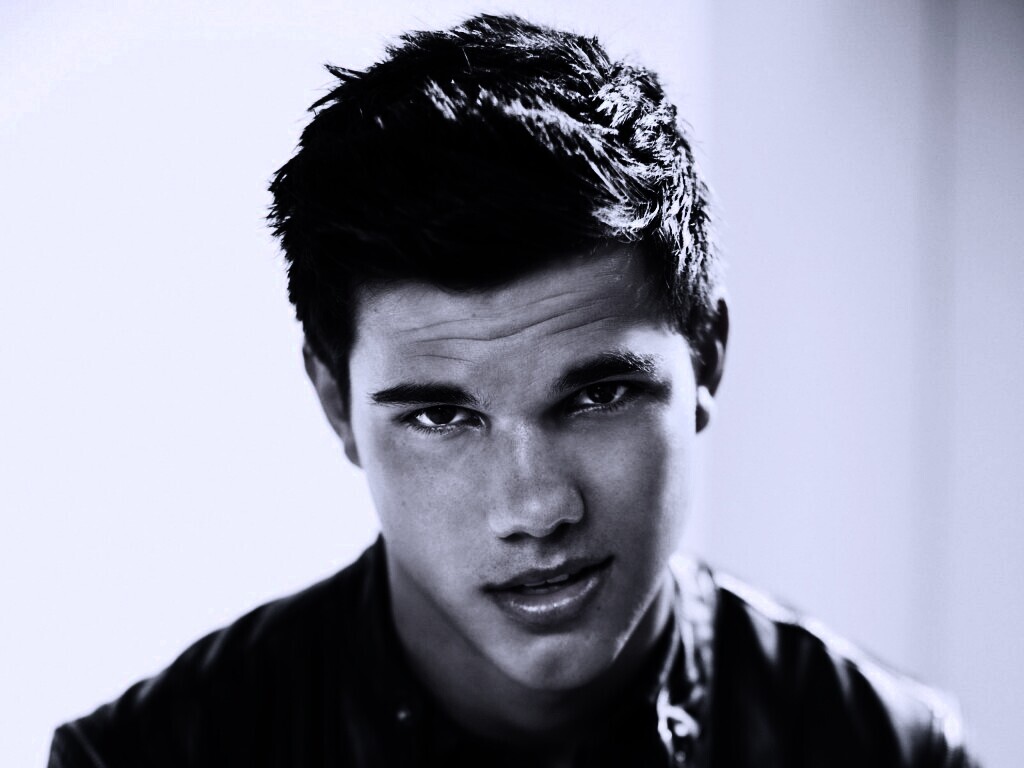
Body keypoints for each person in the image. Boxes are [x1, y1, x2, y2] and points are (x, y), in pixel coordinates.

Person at [48, 13, 977, 768]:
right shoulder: (149, 757)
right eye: (441, 415)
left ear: (707, 360)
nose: (535, 510)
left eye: (599, 396)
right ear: (336, 405)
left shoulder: (883, 748)